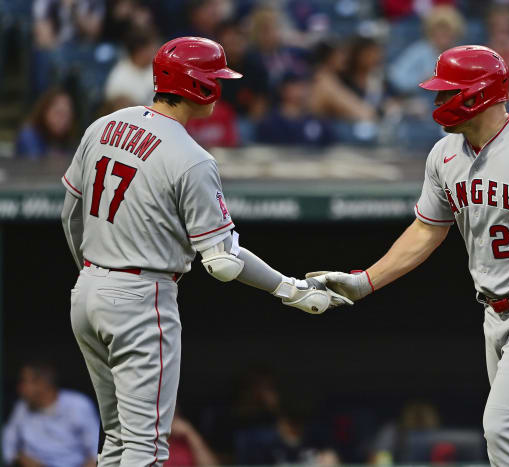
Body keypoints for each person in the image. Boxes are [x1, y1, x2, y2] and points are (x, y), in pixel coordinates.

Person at [309, 46, 509, 466]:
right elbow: (425, 230)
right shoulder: (443, 155)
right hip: (495, 314)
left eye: (446, 92)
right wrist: (366, 281)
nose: (437, 102)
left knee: (503, 429)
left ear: (479, 94)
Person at [60, 36, 351, 466]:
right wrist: (289, 289)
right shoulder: (191, 157)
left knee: (118, 439)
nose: (221, 86)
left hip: (87, 291)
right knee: (146, 448)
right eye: (215, 79)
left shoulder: (104, 124)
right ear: (198, 87)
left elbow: (71, 215)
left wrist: (92, 274)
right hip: (142, 298)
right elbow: (222, 263)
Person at [2, 361, 100, 467]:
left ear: (42, 384)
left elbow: (95, 451)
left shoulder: (78, 404)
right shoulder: (22, 407)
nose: (20, 388)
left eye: (24, 382)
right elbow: (9, 445)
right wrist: (19, 458)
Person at [388, 5, 465, 96]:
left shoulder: (461, 54)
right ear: (431, 32)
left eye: (447, 32)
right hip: (420, 98)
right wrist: (422, 81)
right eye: (439, 31)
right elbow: (396, 77)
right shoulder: (419, 51)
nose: (443, 36)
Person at [257, 72, 335, 146]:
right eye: (295, 85)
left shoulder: (317, 121)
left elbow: (331, 147)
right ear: (282, 89)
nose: (300, 90)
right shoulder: (270, 123)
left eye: (303, 85)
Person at [15, 88, 77, 159]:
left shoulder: (67, 140)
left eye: (67, 115)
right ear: (45, 112)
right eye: (58, 113)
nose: (63, 120)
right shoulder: (28, 135)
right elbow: (36, 165)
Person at [104, 27, 160, 105]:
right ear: (140, 51)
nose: (156, 49)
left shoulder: (161, 68)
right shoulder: (119, 76)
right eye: (151, 46)